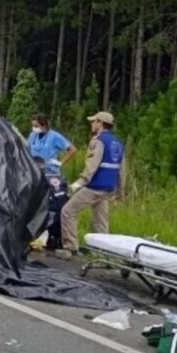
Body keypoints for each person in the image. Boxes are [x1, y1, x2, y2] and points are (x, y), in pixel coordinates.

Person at [59, 111, 125, 259]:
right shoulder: (117, 142)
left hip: (94, 186)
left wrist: (79, 183)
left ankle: (71, 248)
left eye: (93, 121)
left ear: (100, 123)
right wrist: (120, 191)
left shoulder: (97, 141)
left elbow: (92, 166)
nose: (91, 124)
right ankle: (102, 254)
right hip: (108, 188)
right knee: (101, 222)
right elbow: (122, 170)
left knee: (68, 211)